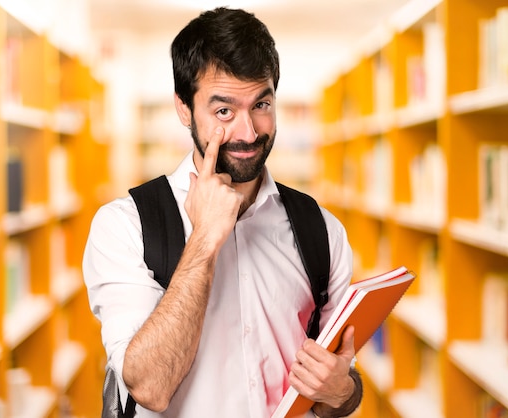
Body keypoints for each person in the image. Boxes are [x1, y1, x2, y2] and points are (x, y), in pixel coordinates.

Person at [83, 7, 362, 418]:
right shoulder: (125, 228)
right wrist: (204, 239)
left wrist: (342, 393)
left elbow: (341, 389)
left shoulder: (322, 230)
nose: (248, 133)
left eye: (261, 104)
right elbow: (149, 389)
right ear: (184, 109)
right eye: (224, 111)